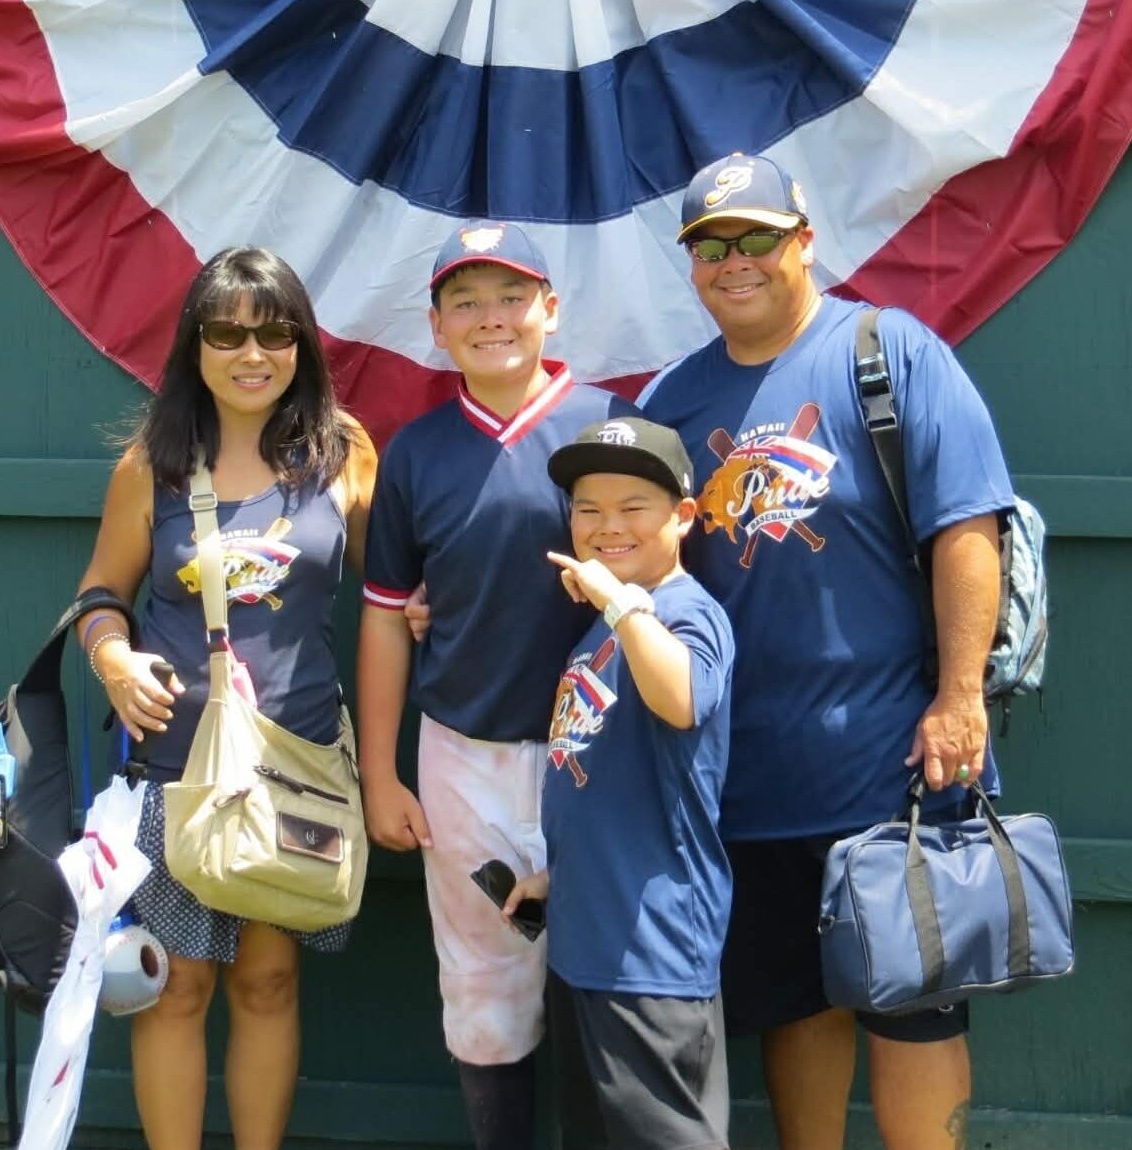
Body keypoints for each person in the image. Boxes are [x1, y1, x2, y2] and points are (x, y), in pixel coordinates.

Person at [637, 153, 1017, 1150]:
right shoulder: (671, 401)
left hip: (896, 771)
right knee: (795, 1009)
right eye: (711, 246)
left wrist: (961, 696)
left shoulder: (887, 355)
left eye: (756, 238)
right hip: (745, 783)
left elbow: (967, 529)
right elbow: (632, 562)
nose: (735, 261)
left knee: (913, 1012)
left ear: (803, 241)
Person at [69, 247, 377, 1150]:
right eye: (228, 333)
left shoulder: (343, 455)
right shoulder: (152, 466)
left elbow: (396, 589)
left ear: (302, 345)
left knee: (267, 983)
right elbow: (99, 595)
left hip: (297, 770)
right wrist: (113, 660)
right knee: (176, 987)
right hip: (175, 775)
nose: (252, 353)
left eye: (275, 333)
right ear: (194, 345)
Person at [355, 220, 639, 1150]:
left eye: (512, 296)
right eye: (466, 301)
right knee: (485, 990)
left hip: (601, 756)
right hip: (464, 753)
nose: (491, 318)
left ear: (550, 308)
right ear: (435, 325)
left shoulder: (611, 429)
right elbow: (386, 616)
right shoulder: (416, 451)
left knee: (611, 984)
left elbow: (670, 589)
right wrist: (380, 775)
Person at [499, 415, 736, 1150]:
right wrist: (556, 876)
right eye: (587, 509)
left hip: (651, 954)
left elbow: (681, 697)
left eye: (634, 507)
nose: (608, 526)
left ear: (683, 516)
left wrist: (622, 603)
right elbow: (601, 773)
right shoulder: (600, 627)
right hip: (584, 938)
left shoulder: (685, 612)